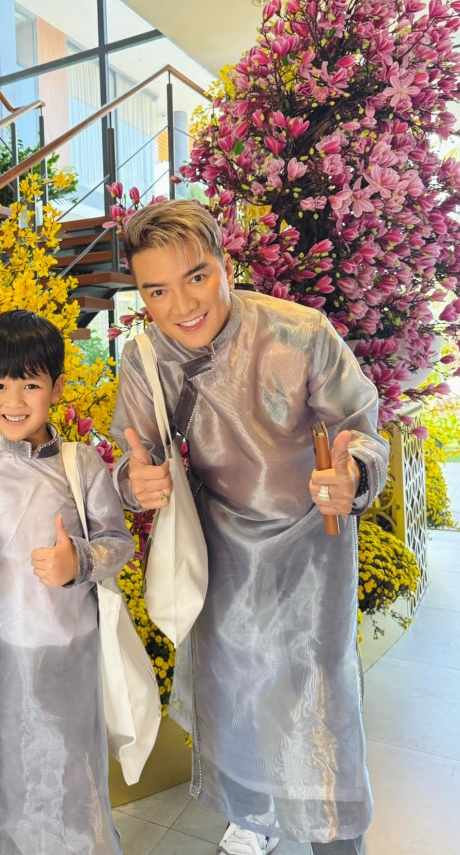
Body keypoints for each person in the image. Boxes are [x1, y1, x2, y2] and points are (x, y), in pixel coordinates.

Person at [110, 201, 389, 855]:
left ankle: (332, 834)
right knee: (234, 688)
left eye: (196, 277)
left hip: (311, 542)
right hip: (220, 549)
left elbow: (359, 427)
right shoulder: (144, 358)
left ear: (225, 267)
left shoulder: (299, 333)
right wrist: (134, 482)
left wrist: (351, 471)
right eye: (157, 290)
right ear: (142, 296)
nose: (182, 304)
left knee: (316, 694)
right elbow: (134, 458)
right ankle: (254, 813)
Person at [0, 310, 134, 855]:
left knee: (73, 768)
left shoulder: (83, 466)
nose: (14, 400)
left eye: (31, 385)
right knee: (8, 768)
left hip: (70, 647)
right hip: (0, 652)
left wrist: (78, 561)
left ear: (56, 388)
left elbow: (118, 542)